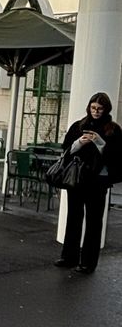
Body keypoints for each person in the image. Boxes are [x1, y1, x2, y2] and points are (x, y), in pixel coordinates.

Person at [54, 92, 122, 274]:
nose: (96, 112)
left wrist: (100, 143)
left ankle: (88, 262)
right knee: (73, 218)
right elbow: (66, 149)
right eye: (93, 108)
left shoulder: (113, 129)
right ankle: (69, 256)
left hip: (98, 180)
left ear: (106, 109)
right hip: (77, 178)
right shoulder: (79, 126)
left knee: (94, 221)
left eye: (100, 109)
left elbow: (116, 157)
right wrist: (79, 143)